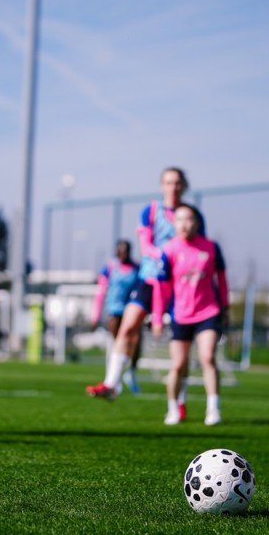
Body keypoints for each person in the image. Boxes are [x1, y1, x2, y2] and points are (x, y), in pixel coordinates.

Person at [86, 167, 201, 408]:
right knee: (128, 326)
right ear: (162, 185)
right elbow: (146, 244)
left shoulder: (191, 214)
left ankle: (180, 400)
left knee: (180, 346)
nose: (173, 187)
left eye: (178, 182)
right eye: (169, 182)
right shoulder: (151, 210)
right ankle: (111, 384)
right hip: (150, 279)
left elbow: (199, 250)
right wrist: (162, 257)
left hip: (179, 285)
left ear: (184, 185)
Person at [152, 205, 228, 426]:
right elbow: (162, 289)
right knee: (178, 365)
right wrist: (158, 317)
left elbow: (221, 280)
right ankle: (173, 409)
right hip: (180, 315)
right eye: (179, 220)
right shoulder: (169, 250)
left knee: (207, 357)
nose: (184, 224)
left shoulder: (211, 248)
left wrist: (225, 307)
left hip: (208, 312)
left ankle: (213, 409)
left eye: (189, 219)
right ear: (174, 224)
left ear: (197, 222)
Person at [89, 240, 141, 393]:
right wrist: (95, 316)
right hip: (115, 311)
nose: (123, 253)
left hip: (132, 310)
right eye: (121, 251)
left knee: (136, 342)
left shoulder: (137, 269)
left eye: (126, 251)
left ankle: (131, 372)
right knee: (118, 343)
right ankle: (113, 380)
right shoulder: (111, 268)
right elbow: (101, 292)